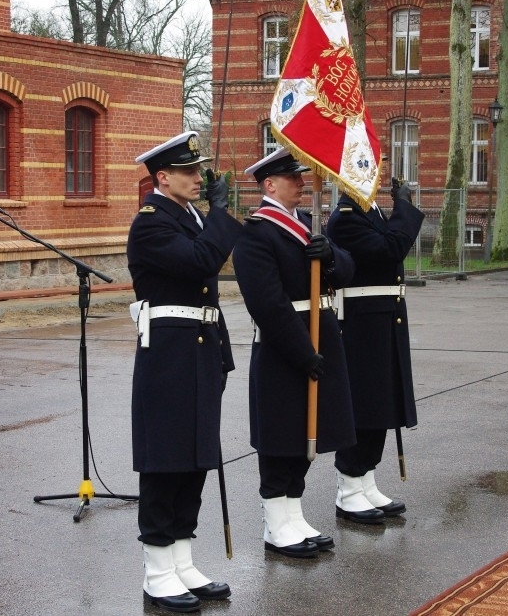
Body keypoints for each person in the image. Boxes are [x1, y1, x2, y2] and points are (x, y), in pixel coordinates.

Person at [232, 147, 368, 561]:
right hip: (284, 346)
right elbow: (267, 304)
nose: (301, 182)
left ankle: (293, 513)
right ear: (269, 185)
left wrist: (330, 256)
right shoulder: (257, 232)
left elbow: (347, 271)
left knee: (310, 432)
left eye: (300, 175)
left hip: (321, 335)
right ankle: (276, 521)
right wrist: (302, 352)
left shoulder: (307, 225)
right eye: (292, 177)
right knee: (282, 435)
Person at [127, 131, 240, 613]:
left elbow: (209, 286)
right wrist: (218, 217)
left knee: (196, 457)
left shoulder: (190, 217)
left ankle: (182, 558)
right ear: (163, 177)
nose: (199, 177)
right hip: (169, 354)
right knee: (165, 459)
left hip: (199, 350)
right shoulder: (150, 223)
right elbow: (199, 264)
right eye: (190, 172)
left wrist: (221, 355)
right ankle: (157, 569)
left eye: (200, 170)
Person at [326, 177, 425, 521]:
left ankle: (366, 480)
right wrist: (405, 208)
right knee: (363, 405)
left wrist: (396, 211)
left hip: (383, 319)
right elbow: (390, 249)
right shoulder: (346, 217)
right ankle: (348, 488)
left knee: (380, 404)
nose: (375, 180)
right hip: (361, 324)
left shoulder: (371, 213)